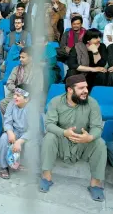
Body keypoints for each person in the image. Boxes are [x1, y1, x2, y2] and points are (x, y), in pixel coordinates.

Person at [40, 74, 107, 202]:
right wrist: (64, 132)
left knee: (100, 143)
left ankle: (95, 184)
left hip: (83, 143)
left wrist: (89, 137)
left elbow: (97, 127)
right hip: (62, 141)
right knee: (49, 137)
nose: (86, 91)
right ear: (70, 89)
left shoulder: (92, 103)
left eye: (86, 87)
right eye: (81, 88)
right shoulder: (55, 101)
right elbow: (49, 125)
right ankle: (46, 177)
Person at [0, 85, 31, 179]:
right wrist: (9, 132)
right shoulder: (12, 104)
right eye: (15, 94)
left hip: (28, 133)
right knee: (4, 138)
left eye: (18, 96)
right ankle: (4, 167)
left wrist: (19, 141)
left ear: (26, 99)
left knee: (31, 144)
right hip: (15, 130)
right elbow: (7, 120)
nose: (14, 97)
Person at [0, 48, 34, 114]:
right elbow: (9, 83)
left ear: (30, 58)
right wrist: (19, 91)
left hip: (30, 96)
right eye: (20, 57)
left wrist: (25, 94)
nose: (20, 59)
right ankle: (10, 120)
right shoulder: (16, 69)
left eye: (23, 57)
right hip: (16, 92)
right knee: (3, 103)